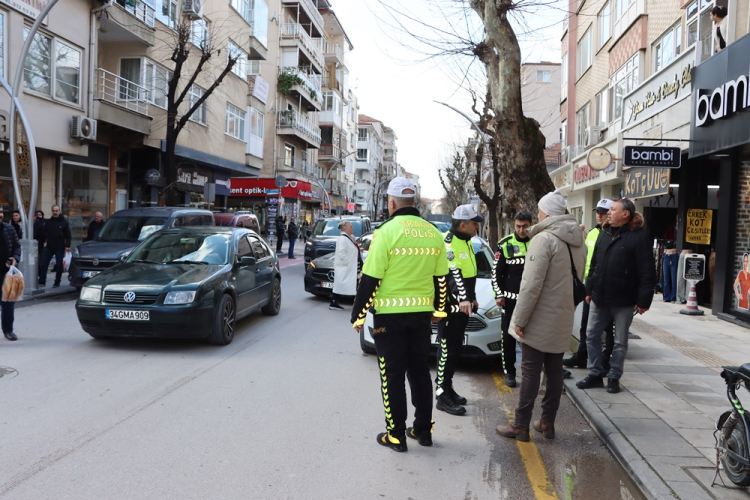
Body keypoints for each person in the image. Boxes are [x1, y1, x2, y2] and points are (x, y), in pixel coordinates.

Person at [351, 177, 449, 452]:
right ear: (413, 201)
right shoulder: (433, 233)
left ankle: (396, 435)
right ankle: (423, 430)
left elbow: (371, 278)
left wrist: (358, 315)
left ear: (391, 203)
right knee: (420, 372)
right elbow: (442, 278)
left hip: (390, 317)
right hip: (422, 316)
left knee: (392, 375)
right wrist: (439, 311)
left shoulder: (386, 232)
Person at [496, 191, 586, 441]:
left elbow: (531, 285)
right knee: (555, 370)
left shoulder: (543, 239)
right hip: (563, 315)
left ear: (545, 213)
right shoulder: (579, 240)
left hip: (539, 316)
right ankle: (547, 422)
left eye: (539, 210)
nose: (537, 215)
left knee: (530, 370)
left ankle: (521, 425)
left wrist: (520, 319)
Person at [576, 198, 655, 394]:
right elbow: (594, 265)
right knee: (591, 335)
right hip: (599, 297)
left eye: (612, 209)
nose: (608, 213)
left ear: (625, 214)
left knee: (620, 342)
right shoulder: (604, 233)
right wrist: (589, 290)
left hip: (624, 299)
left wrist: (644, 300)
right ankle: (595, 373)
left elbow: (647, 271)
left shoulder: (639, 237)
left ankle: (614, 377)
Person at [435, 204, 484, 416]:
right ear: (463, 225)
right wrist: (464, 297)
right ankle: (441, 396)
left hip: (463, 307)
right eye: (475, 223)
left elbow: (469, 274)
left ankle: (447, 388)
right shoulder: (448, 242)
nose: (477, 226)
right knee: (446, 351)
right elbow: (454, 273)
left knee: (454, 351)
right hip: (450, 307)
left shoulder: (467, 241)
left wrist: (472, 297)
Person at [563, 199, 613, 370]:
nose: (599, 215)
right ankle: (582, 356)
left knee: (607, 328)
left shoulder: (610, 234)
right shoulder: (592, 233)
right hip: (589, 285)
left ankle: (605, 361)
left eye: (603, 212)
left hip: (605, 287)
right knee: (585, 325)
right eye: (597, 212)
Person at [492, 210, 533, 388]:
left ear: (531, 224)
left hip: (532, 300)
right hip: (509, 301)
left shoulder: (537, 241)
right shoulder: (505, 244)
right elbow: (496, 273)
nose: (521, 230)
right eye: (518, 226)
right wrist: (499, 294)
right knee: (508, 339)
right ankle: (509, 372)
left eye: (525, 226)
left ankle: (529, 373)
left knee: (531, 338)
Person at [0, 207, 22, 341]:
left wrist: (15, 258)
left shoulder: (9, 229)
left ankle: (8, 330)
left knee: (8, 302)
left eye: (1, 212)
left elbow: (17, 246)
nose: (0, 215)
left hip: (6, 273)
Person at [330, 220, 361, 311]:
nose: (352, 228)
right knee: (342, 284)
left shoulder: (348, 238)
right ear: (345, 228)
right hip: (347, 267)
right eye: (351, 226)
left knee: (351, 284)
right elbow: (341, 252)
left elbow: (351, 249)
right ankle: (334, 302)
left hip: (351, 267)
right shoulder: (343, 239)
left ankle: (355, 303)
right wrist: (348, 263)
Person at [39, 205, 71, 288]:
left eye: (56, 211)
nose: (55, 212)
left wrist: (67, 245)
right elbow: (44, 231)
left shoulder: (64, 222)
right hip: (49, 246)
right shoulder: (49, 222)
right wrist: (46, 238)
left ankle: (57, 282)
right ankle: (42, 281)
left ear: (59, 211)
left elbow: (68, 235)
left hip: (59, 247)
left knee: (59, 265)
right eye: (53, 211)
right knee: (44, 263)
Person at [34, 210, 45, 285]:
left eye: (40, 215)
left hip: (40, 245)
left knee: (40, 261)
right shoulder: (36, 223)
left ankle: (40, 276)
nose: (38, 216)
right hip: (37, 245)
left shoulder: (41, 223)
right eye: (37, 215)